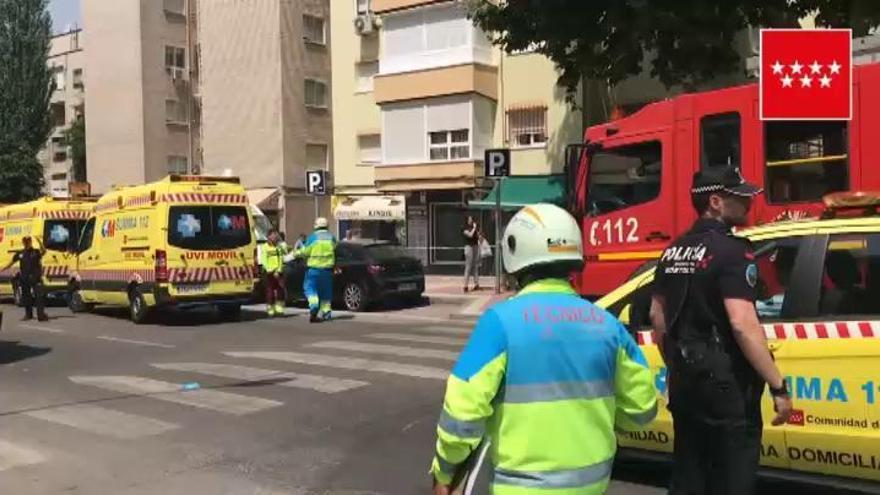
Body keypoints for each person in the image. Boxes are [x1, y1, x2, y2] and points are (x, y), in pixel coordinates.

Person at [430, 203, 657, 495]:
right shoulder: (607, 325)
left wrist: (445, 471)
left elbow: (462, 413)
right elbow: (642, 409)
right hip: (592, 486)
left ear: (515, 255)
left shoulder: (500, 322)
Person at [649, 167, 794, 495]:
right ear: (715, 201)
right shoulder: (733, 252)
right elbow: (743, 325)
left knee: (690, 475)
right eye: (739, 196)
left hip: (685, 381)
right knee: (732, 480)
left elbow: (658, 317)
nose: (748, 202)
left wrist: (676, 364)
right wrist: (778, 386)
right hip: (726, 385)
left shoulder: (672, 251)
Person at [296, 217, 337, 323]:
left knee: (310, 288)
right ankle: (326, 312)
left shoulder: (312, 237)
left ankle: (314, 306)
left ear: (316, 226)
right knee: (326, 292)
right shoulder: (332, 238)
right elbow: (335, 248)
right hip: (327, 270)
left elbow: (305, 251)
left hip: (314, 270)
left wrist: (296, 253)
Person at [13, 236, 48, 322]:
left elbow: (44, 251)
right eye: (25, 241)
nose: (26, 243)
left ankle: (41, 316)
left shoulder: (35, 252)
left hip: (36, 278)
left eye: (28, 241)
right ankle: (28, 315)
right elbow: (12, 261)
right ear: (23, 242)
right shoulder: (20, 253)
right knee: (26, 297)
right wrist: (4, 268)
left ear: (30, 242)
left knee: (39, 297)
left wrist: (39, 241)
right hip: (24, 279)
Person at [260, 229, 288, 317]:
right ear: (268, 236)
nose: (275, 237)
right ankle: (270, 308)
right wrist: (269, 270)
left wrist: (279, 270)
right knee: (270, 291)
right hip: (269, 272)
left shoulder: (278, 247)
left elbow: (280, 259)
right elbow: (264, 260)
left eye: (276, 235)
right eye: (273, 235)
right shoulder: (265, 247)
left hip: (278, 271)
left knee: (280, 290)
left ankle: (279, 308)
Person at [461, 216, 480, 292]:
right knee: (468, 266)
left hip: (475, 246)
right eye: (469, 219)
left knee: (475, 266)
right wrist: (474, 228)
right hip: (468, 247)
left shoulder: (474, 227)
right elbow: (470, 235)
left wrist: (478, 232)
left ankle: (476, 284)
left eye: (472, 219)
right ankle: (465, 286)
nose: (471, 220)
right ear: (466, 220)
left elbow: (477, 236)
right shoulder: (464, 228)